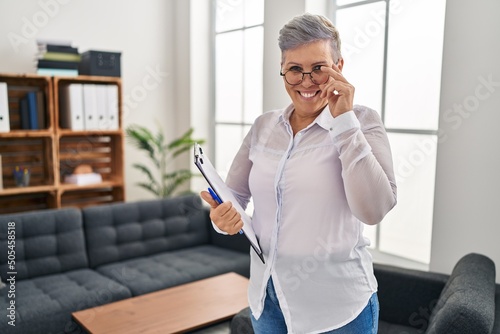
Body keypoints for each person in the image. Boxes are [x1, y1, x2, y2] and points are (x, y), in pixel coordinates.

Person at [201, 13, 397, 334]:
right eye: (294, 69)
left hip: (337, 310)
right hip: (268, 301)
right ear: (283, 71)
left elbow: (374, 209)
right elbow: (234, 196)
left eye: (318, 68)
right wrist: (222, 220)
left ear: (339, 67)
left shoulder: (362, 122)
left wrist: (344, 120)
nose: (306, 81)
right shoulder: (264, 126)